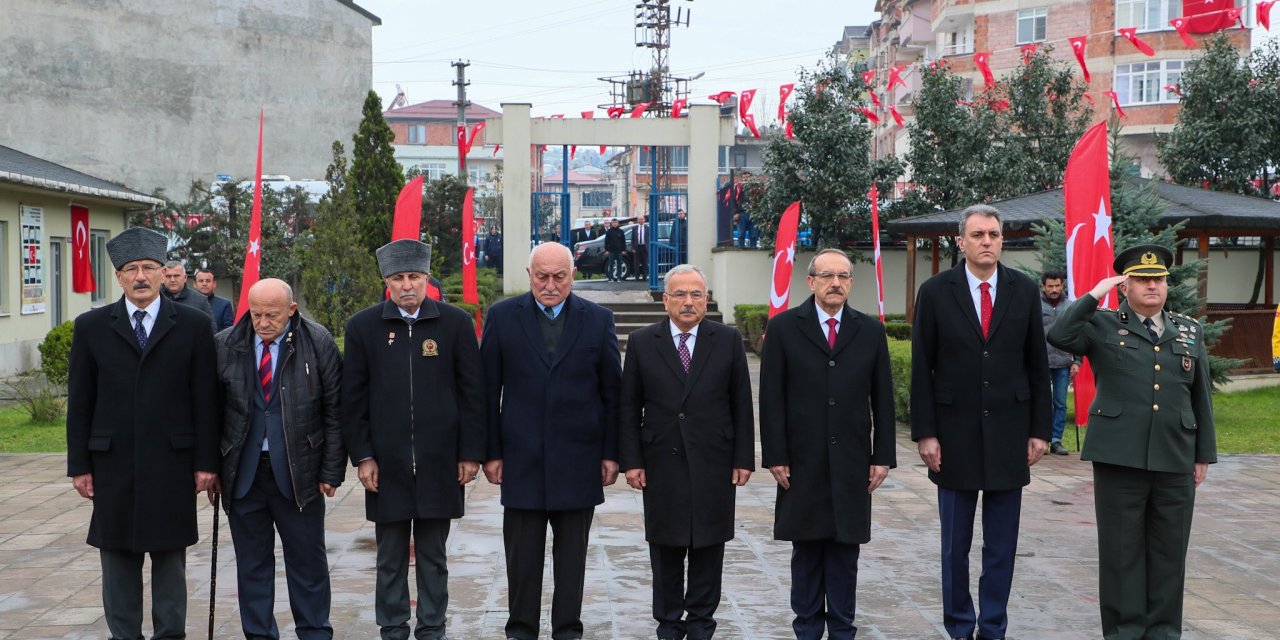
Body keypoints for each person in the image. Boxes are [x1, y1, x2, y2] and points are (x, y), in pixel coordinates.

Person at [1047, 245, 1215, 640]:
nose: (1152, 285)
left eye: (1158, 280)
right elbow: (1059, 334)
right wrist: (1092, 294)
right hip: (1119, 457)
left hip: (1175, 456)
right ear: (1126, 286)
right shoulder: (1102, 325)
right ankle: (1124, 632)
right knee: (1122, 554)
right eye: (1142, 279)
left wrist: (1203, 453)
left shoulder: (1189, 330)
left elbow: (1200, 395)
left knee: (1169, 554)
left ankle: (1163, 633)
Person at [66, 226, 220, 640]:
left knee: (170, 559)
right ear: (118, 276)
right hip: (111, 463)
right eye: (131, 269)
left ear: (163, 272)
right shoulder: (91, 327)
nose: (140, 276)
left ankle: (171, 635)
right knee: (117, 560)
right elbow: (80, 403)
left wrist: (207, 462)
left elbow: (205, 400)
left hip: (173, 462)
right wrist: (79, 465)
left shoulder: (192, 324)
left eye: (149, 268)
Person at [910, 205, 1051, 640]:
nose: (986, 241)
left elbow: (1036, 363)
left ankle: (992, 626)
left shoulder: (1024, 290)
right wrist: (926, 433)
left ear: (1002, 239)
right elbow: (922, 367)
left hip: (1011, 434)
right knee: (955, 547)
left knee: (1001, 546)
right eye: (977, 234)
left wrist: (1040, 430)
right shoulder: (935, 291)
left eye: (993, 233)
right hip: (953, 437)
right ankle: (958, 625)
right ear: (961, 241)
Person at [341, 239, 487, 640]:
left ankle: (432, 627)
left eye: (414, 277)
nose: (407, 286)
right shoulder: (363, 327)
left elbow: (473, 394)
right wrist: (363, 456)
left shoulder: (455, 324)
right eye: (398, 278)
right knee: (388, 556)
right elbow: (352, 399)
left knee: (433, 556)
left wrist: (470, 453)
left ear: (427, 279)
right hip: (385, 465)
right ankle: (392, 627)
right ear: (386, 281)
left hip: (440, 461)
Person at [480, 242, 622, 640]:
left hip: (579, 460)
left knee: (572, 559)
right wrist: (491, 452)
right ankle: (521, 630)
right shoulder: (503, 317)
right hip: (521, 459)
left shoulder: (598, 320)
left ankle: (567, 631)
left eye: (559, 276)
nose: (550, 285)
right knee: (522, 560)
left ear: (572, 275)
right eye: (542, 276)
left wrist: (612, 453)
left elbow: (614, 393)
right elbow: (488, 392)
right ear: (529, 276)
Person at [760, 248, 896, 640]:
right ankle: (805, 628)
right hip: (801, 459)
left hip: (853, 459)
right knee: (806, 550)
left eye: (843, 277)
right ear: (811, 281)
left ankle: (841, 628)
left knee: (844, 551)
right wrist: (776, 455)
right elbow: (771, 399)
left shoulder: (869, 331)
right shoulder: (785, 328)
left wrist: (882, 456)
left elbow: (882, 399)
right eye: (827, 276)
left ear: (851, 282)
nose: (835, 283)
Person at [620, 264, 755, 640]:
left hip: (714, 460)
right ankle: (668, 622)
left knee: (709, 544)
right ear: (665, 300)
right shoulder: (643, 341)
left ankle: (701, 623)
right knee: (665, 544)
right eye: (679, 294)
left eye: (696, 294)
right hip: (661, 460)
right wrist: (631, 461)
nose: (688, 302)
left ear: (706, 299)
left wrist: (744, 458)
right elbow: (628, 407)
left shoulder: (726, 340)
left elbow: (741, 403)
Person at [211, 278, 346, 640]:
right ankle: (259, 635)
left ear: (292, 310)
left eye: (272, 314)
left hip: (299, 470)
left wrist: (332, 469)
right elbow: (211, 413)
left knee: (307, 564)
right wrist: (212, 469)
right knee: (252, 566)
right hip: (244, 473)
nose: (264, 322)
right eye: (256, 314)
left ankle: (315, 632)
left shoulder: (318, 343)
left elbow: (336, 411)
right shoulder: (225, 345)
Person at [1040, 270, 1081, 455]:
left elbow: (1077, 334)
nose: (1054, 289)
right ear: (1043, 287)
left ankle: (1056, 440)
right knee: (1041, 402)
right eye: (1050, 286)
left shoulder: (1070, 307)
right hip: (1041, 361)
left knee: (1061, 403)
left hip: (1064, 362)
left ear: (1062, 285)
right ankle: (1042, 438)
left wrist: (1077, 361)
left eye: (1057, 285)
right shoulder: (1035, 305)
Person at [161, 259, 215, 325]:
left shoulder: (200, 301)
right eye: (168, 276)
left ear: (185, 278)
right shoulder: (154, 299)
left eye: (176, 276)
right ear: (162, 278)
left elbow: (210, 330)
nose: (172, 280)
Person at [194, 267, 235, 332]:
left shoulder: (224, 305)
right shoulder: (187, 303)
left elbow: (228, 330)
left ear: (214, 284)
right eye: (201, 281)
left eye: (208, 281)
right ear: (195, 284)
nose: (204, 284)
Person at [631, 215, 649, 281]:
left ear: (644, 220)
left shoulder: (647, 228)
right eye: (639, 219)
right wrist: (633, 248)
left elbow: (649, 239)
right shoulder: (634, 228)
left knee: (645, 263)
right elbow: (632, 239)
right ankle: (637, 277)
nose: (641, 220)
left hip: (645, 247)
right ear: (637, 220)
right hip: (637, 247)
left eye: (642, 219)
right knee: (636, 263)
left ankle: (645, 276)